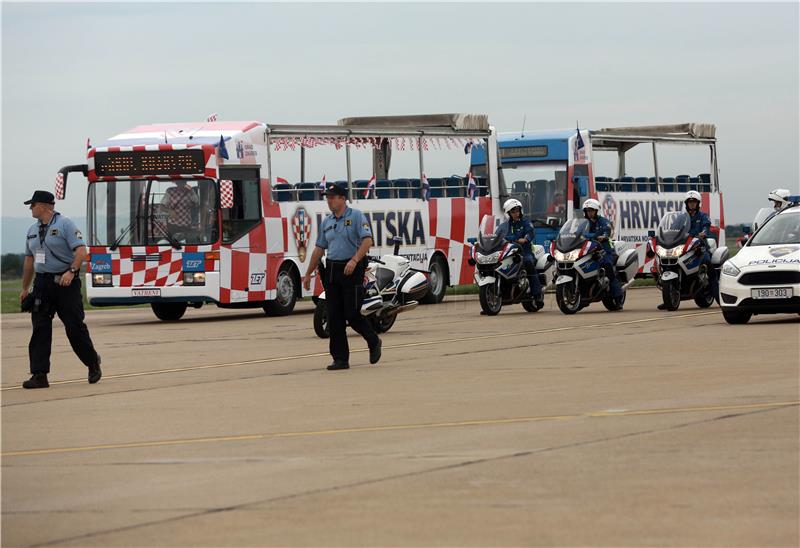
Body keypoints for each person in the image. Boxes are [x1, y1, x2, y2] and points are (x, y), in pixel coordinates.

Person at [19, 190, 101, 389]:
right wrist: (25, 288)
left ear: (45, 206)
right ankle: (39, 375)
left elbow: (81, 251)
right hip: (42, 285)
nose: (30, 208)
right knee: (40, 328)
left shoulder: (65, 224)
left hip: (65, 283)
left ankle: (92, 363)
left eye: (33, 204)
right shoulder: (31, 230)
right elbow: (29, 260)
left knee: (74, 327)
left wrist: (72, 271)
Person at [302, 183, 381, 371]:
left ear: (342, 198)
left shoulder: (355, 216)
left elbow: (367, 240)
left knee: (352, 314)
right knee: (334, 316)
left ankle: (373, 341)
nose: (329, 201)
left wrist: (354, 260)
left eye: (332, 197)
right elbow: (319, 249)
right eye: (327, 197)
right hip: (332, 270)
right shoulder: (327, 222)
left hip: (352, 269)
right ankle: (340, 358)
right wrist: (307, 274)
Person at [498, 198, 543, 306]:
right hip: (508, 253)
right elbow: (497, 236)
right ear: (508, 213)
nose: (516, 213)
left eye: (517, 211)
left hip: (524, 252)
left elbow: (530, 232)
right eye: (513, 212)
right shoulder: (504, 226)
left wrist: (525, 238)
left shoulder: (525, 222)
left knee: (528, 263)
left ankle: (537, 296)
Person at [581, 198, 623, 300]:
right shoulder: (585, 223)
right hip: (590, 249)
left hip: (605, 249)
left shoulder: (603, 221)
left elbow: (607, 230)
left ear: (596, 211)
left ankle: (617, 293)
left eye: (591, 210)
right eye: (587, 211)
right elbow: (578, 232)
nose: (589, 213)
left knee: (607, 265)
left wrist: (603, 236)